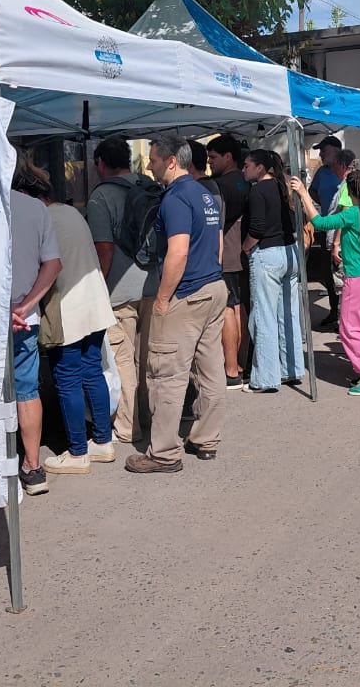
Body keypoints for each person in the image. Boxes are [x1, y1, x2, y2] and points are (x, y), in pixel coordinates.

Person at [126, 137, 227, 472]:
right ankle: (206, 439)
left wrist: (163, 298)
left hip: (187, 293)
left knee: (166, 373)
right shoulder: (204, 193)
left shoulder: (176, 197)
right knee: (210, 370)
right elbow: (217, 243)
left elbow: (178, 252)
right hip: (213, 286)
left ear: (171, 161)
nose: (149, 165)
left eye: (153, 159)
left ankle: (164, 453)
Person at [21, 169, 118, 474]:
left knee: (67, 378)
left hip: (68, 308)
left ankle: (77, 452)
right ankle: (102, 441)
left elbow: (42, 266)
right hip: (95, 302)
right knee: (92, 370)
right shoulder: (70, 212)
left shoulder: (40, 219)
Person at [290, 169, 360, 396]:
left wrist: (303, 194)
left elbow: (320, 222)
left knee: (350, 327)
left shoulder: (353, 213)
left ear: (351, 192)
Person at [86, 137, 159, 446]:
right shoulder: (148, 186)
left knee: (122, 359)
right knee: (148, 357)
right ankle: (151, 417)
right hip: (153, 282)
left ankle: (129, 426)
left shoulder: (101, 196)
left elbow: (104, 249)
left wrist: (96, 288)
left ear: (101, 163)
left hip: (119, 291)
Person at [9, 151, 63, 496]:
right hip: (24, 316)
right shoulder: (35, 208)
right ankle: (33, 466)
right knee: (27, 390)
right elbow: (53, 264)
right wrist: (26, 305)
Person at [241, 148, 306, 392]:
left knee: (264, 316)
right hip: (289, 252)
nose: (243, 170)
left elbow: (257, 228)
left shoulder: (258, 190)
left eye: (247, 165)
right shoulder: (283, 186)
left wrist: (245, 246)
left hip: (267, 254)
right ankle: (292, 369)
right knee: (288, 314)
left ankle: (265, 378)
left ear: (260, 168)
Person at [207, 133, 250, 389]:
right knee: (238, 306)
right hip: (240, 253)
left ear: (228, 157)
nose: (209, 162)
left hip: (229, 254)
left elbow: (218, 222)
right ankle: (240, 364)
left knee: (229, 308)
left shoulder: (222, 185)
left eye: (213, 157)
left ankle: (232, 368)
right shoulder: (244, 180)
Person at [307, 136, 343, 328]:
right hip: (327, 228)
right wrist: (326, 206)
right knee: (329, 274)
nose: (320, 154)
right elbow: (312, 191)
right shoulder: (322, 172)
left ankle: (344, 318)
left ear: (336, 150)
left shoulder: (345, 171)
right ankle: (334, 310)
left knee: (343, 275)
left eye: (324, 150)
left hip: (343, 231)